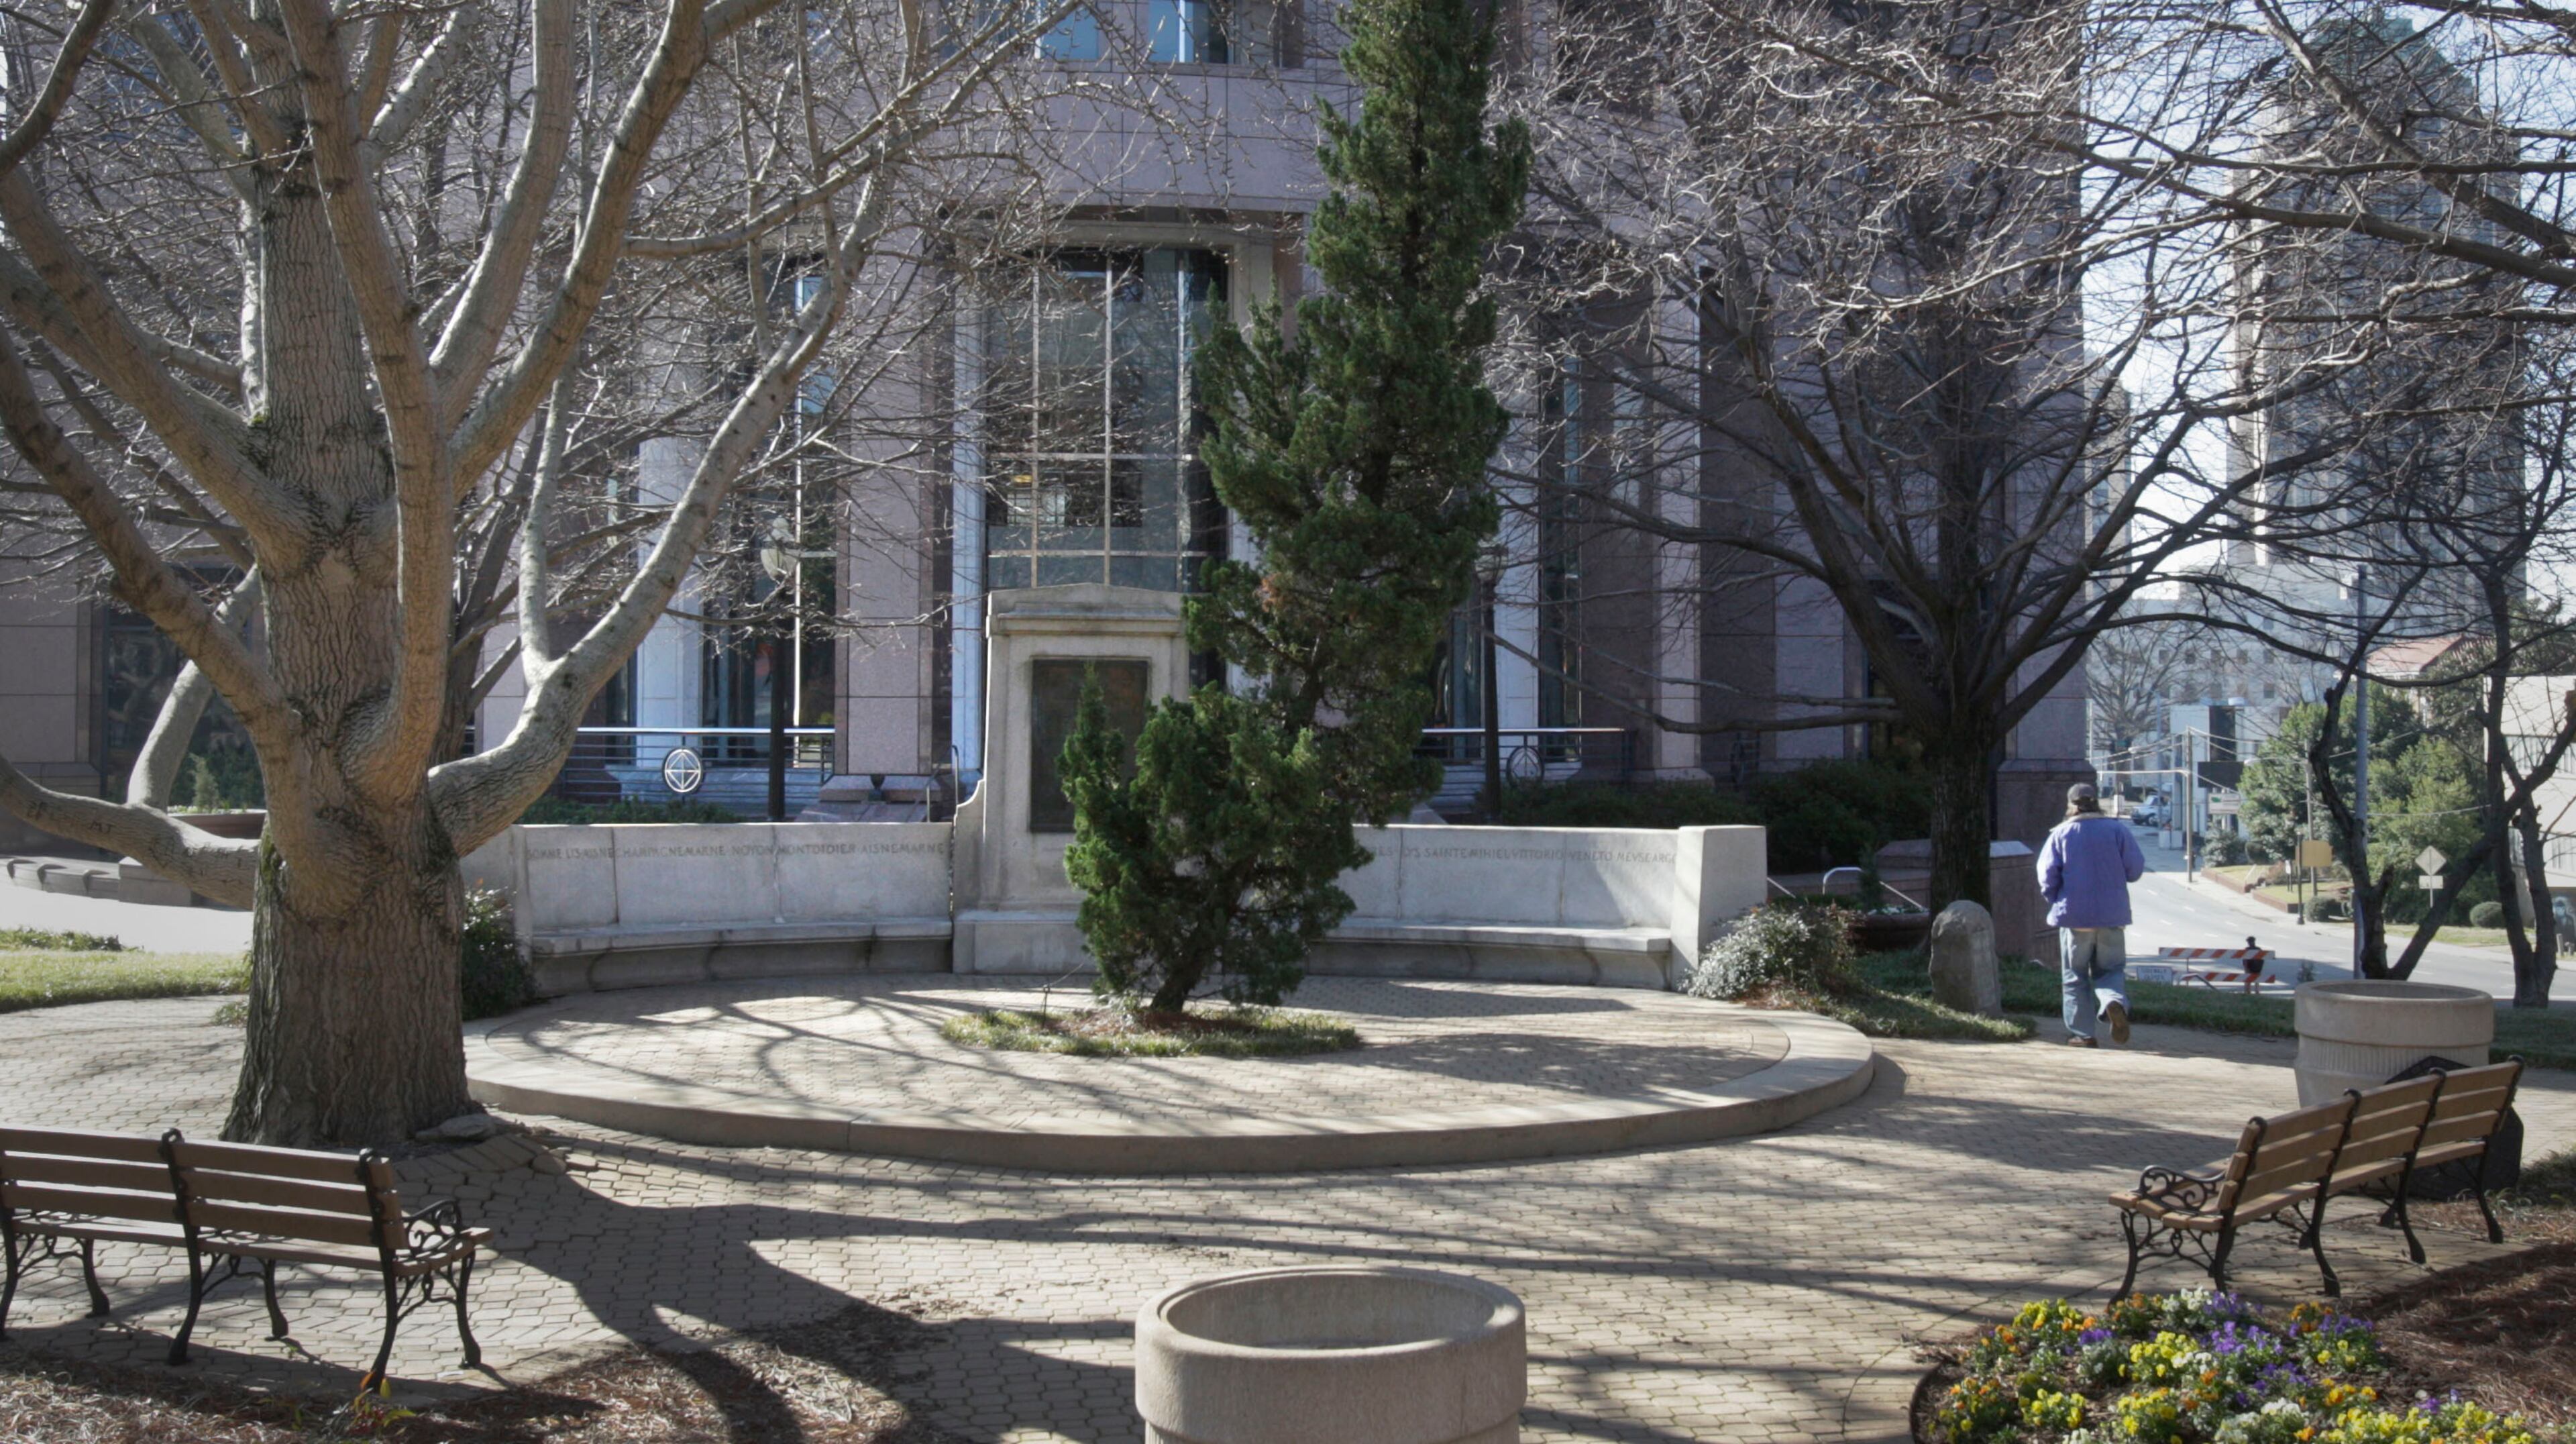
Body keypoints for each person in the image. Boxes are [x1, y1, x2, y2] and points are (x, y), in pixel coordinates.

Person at [2040, 782, 2145, 1047]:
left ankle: (2083, 1035)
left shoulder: (2061, 834)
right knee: (2111, 970)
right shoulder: (2117, 830)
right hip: (2113, 917)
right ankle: (2113, 1001)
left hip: (2075, 919)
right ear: (2097, 801)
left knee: (2075, 976)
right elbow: (2135, 870)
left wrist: (2058, 901)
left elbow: (2046, 878)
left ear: (2070, 805)